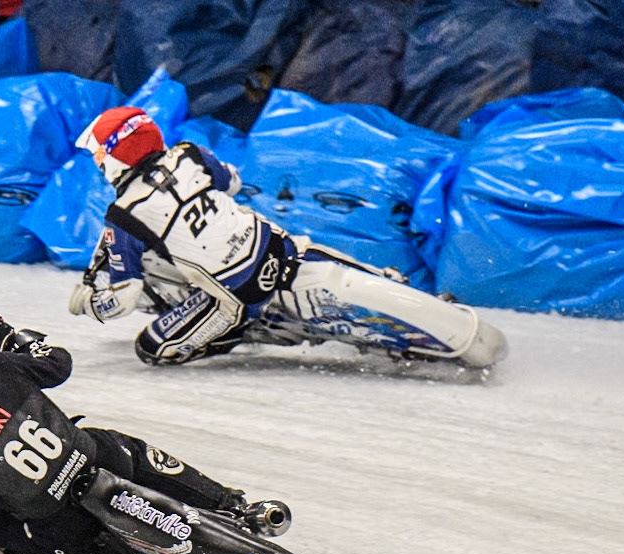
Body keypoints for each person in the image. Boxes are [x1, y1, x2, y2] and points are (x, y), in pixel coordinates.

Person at [68, 107, 503, 367]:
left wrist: (91, 304)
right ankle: (394, 286)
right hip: (275, 246)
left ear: (116, 156)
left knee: (151, 350)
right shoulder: (189, 154)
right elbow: (233, 183)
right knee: (302, 249)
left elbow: (123, 297)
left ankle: (238, 333)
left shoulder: (123, 215)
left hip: (237, 294)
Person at [0, 319, 280, 554]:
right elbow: (59, 363)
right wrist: (25, 342)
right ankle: (236, 507)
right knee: (125, 448)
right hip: (102, 461)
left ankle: (108, 552)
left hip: (62, 528)